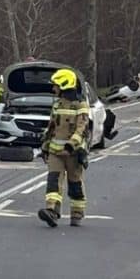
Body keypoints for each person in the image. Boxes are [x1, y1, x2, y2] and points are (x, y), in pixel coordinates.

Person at [38, 68, 90, 228]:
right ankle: (52, 211)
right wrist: (45, 146)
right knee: (53, 181)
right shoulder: (57, 104)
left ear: (64, 85)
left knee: (75, 184)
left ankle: (77, 213)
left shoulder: (80, 105)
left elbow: (82, 128)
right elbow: (52, 127)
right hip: (56, 152)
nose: (53, 88)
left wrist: (70, 146)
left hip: (73, 153)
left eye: (56, 85)